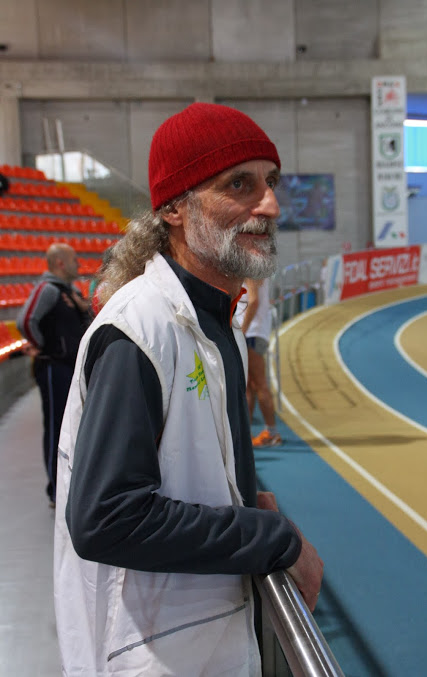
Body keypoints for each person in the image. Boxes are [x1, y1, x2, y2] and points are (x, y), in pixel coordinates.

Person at [54, 103, 323, 676]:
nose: (270, 205)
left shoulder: (213, 318)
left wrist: (246, 501)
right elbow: (106, 518)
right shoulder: (142, 329)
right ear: (176, 207)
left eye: (270, 182)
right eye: (239, 185)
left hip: (198, 644)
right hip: (154, 654)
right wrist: (270, 534)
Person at [17, 243, 92, 505]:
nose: (78, 264)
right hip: (54, 366)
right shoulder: (47, 289)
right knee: (56, 426)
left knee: (71, 426)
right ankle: (55, 489)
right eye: (73, 259)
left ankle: (69, 483)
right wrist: (43, 346)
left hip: (69, 366)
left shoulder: (69, 291)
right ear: (60, 263)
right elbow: (25, 320)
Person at [238, 277, 282, 447]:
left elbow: (254, 301)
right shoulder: (252, 263)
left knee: (259, 383)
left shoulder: (251, 267)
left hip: (252, 333)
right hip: (253, 331)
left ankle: (272, 432)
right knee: (249, 385)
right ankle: (245, 433)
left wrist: (242, 331)